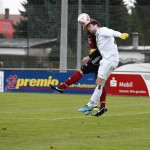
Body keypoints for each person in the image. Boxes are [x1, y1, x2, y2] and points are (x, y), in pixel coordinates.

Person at [50, 18, 107, 116]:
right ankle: (102, 106)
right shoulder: (90, 33)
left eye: (85, 26)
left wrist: (89, 57)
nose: (84, 28)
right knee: (99, 82)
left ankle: (62, 87)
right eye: (83, 26)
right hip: (97, 58)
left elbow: (99, 49)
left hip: (97, 58)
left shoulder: (95, 33)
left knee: (82, 72)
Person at [78, 19, 129, 116]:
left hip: (109, 61)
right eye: (87, 27)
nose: (89, 28)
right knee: (99, 84)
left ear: (95, 25)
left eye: (90, 26)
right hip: (109, 61)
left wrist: (121, 35)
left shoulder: (102, 30)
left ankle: (90, 105)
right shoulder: (97, 36)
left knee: (99, 84)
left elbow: (112, 32)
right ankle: (91, 106)